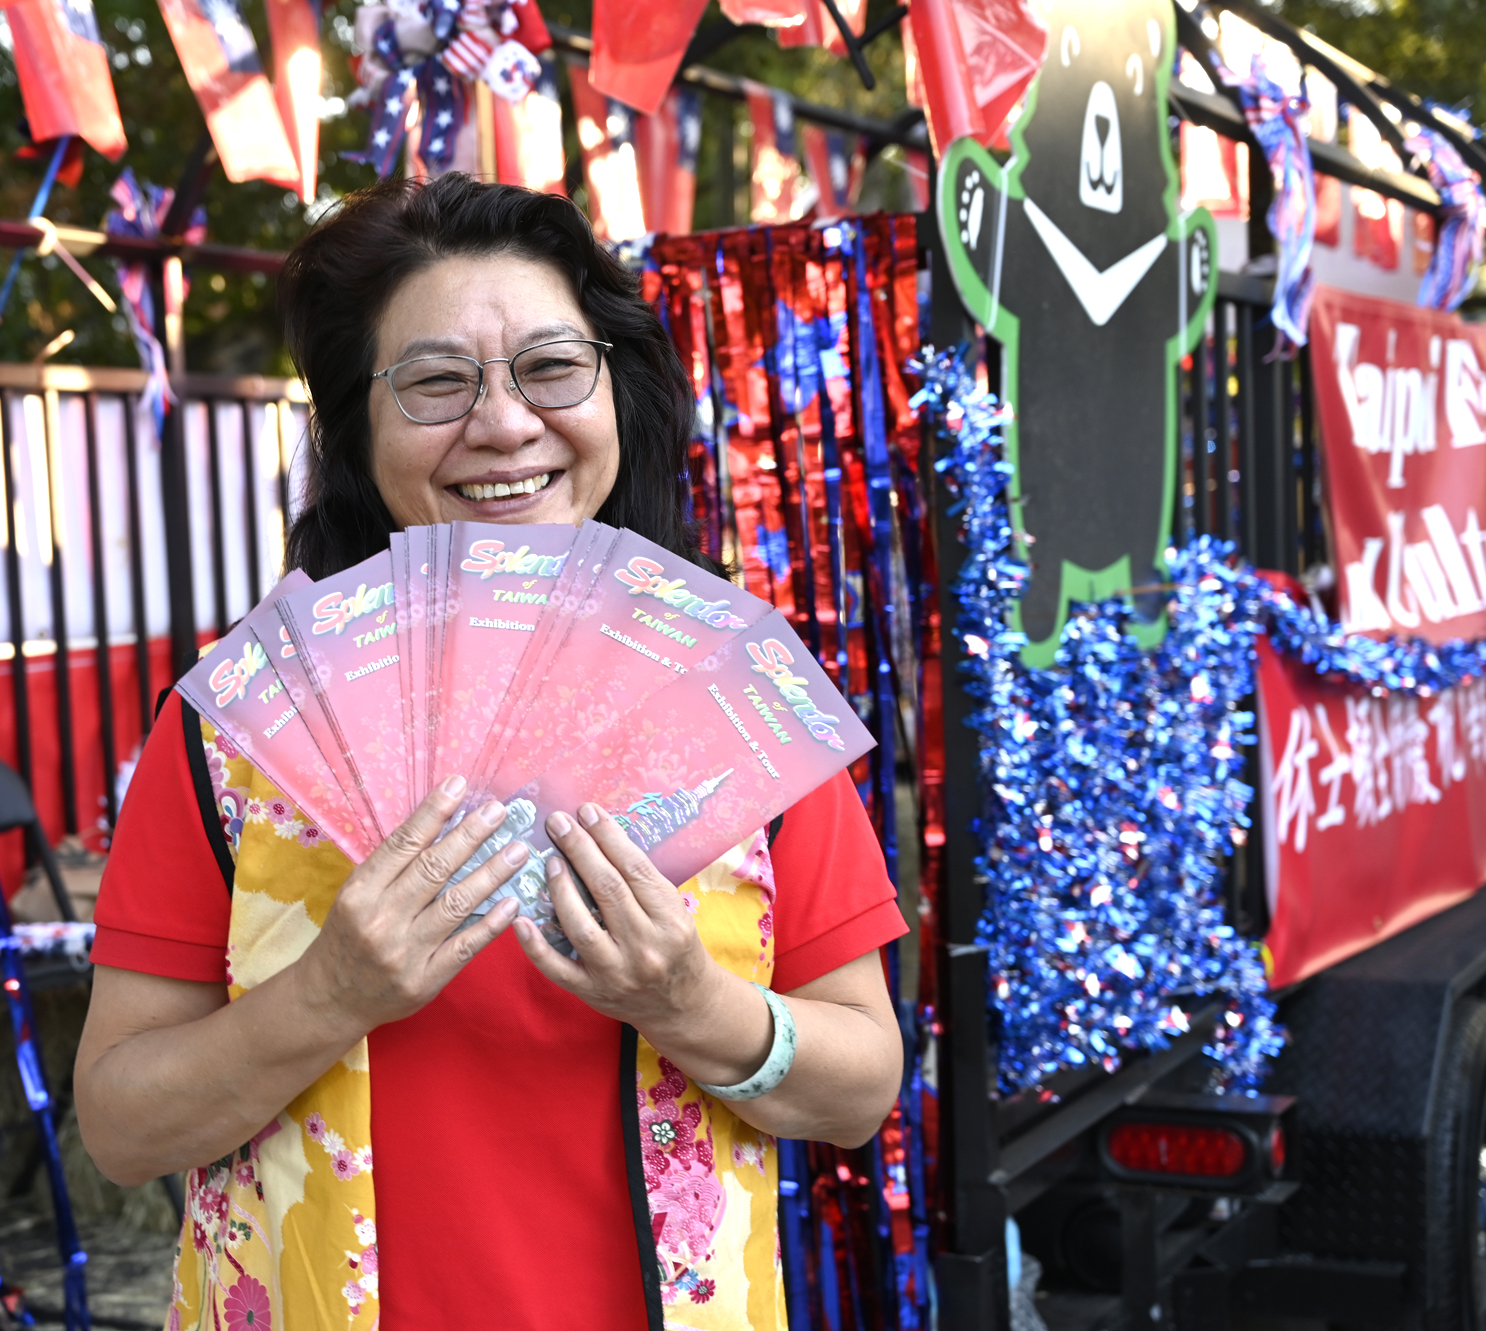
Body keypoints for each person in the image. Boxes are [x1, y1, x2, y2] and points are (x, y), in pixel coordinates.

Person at [77, 174, 906, 1331]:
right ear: (356, 431)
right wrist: (327, 994)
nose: (505, 424)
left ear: (616, 390)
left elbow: (859, 1086)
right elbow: (120, 1127)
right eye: (436, 382)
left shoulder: (733, 697)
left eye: (551, 368)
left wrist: (691, 1002)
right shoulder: (240, 726)